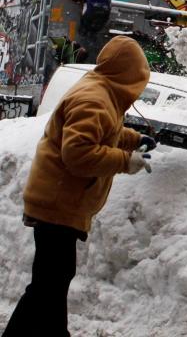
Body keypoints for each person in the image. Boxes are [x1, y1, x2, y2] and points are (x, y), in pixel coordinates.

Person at [3, 36, 156, 337]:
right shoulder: (94, 98)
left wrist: (134, 140)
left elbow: (105, 131)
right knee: (49, 284)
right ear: (127, 75)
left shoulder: (102, 92)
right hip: (58, 201)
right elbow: (78, 154)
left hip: (59, 199)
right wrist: (126, 161)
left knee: (51, 282)